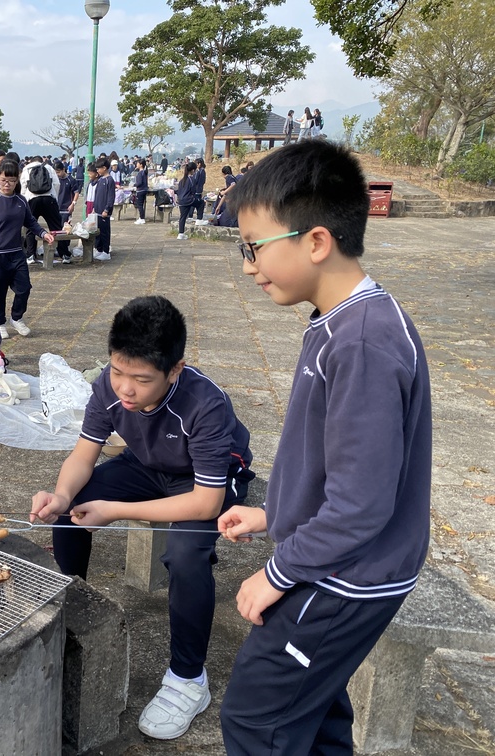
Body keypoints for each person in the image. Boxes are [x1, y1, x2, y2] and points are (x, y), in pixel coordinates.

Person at [217, 139, 431, 753]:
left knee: (256, 719)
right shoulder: (339, 320)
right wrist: (274, 513)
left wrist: (276, 573)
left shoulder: (361, 341)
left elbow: (360, 504)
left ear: (315, 241)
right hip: (342, 561)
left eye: (254, 247)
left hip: (345, 577)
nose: (249, 266)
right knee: (314, 720)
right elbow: (334, 462)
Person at [31, 295, 254, 741]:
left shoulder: (205, 404)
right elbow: (83, 455)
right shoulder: (107, 386)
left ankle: (189, 678)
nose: (125, 389)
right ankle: (69, 616)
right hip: (147, 465)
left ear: (174, 370)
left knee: (186, 555)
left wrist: (114, 511)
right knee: (69, 512)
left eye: (141, 379)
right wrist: (61, 495)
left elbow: (205, 504)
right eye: (118, 372)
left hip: (206, 481)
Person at [0, 160, 54, 338]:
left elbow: (30, 221)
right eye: (3, 180)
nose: (7, 184)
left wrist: (43, 233)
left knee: (24, 288)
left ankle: (16, 317)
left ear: (17, 181)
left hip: (16, 253)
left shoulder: (21, 201)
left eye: (11, 180)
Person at [19, 156, 62, 265]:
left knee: (31, 227)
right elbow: (57, 184)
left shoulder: (27, 168)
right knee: (56, 226)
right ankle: (63, 253)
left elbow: (23, 186)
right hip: (49, 198)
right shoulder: (49, 167)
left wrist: (25, 200)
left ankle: (31, 255)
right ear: (41, 161)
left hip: (32, 199)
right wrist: (54, 197)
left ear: (31, 161)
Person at [53, 159, 79, 262]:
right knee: (57, 230)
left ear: (63, 169)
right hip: (56, 208)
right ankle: (59, 249)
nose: (57, 174)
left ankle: (66, 250)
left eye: (59, 172)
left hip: (66, 209)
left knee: (65, 230)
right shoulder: (55, 180)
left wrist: (73, 204)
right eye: (56, 172)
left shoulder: (71, 180)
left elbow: (76, 193)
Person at [93, 158, 115, 261]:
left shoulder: (109, 180)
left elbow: (111, 197)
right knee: (98, 232)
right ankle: (99, 249)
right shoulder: (100, 180)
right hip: (97, 210)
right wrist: (94, 207)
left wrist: (107, 209)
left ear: (104, 168)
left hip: (104, 212)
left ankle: (106, 252)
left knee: (104, 232)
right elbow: (96, 194)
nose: (97, 171)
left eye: (99, 169)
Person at [175, 161, 197, 240]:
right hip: (188, 200)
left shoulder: (182, 180)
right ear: (193, 170)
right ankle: (199, 219)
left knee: (182, 217)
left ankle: (181, 233)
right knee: (201, 203)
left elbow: (178, 191)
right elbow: (193, 191)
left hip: (181, 200)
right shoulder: (191, 179)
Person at [132, 158, 149, 225]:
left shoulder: (140, 173)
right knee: (142, 205)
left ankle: (142, 218)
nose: (136, 164)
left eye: (138, 163)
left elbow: (139, 183)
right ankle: (141, 217)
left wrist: (135, 185)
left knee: (140, 205)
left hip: (140, 190)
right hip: (144, 190)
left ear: (141, 165)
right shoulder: (144, 172)